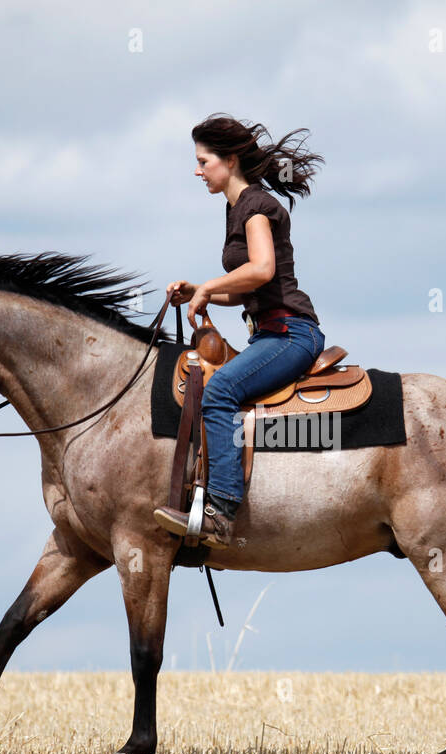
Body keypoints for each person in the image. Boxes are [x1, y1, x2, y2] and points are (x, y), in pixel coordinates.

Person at [153, 114, 326, 550]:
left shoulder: (255, 206)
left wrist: (209, 287)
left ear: (229, 160)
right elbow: (250, 286)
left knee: (220, 390)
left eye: (203, 161)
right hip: (268, 334)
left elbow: (263, 268)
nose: (197, 170)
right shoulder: (237, 208)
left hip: (290, 335)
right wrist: (202, 292)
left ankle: (221, 510)